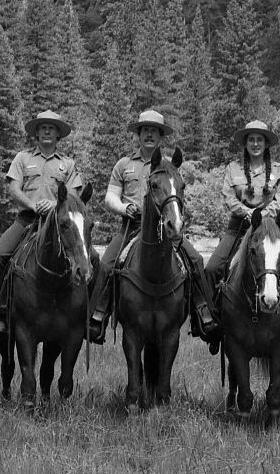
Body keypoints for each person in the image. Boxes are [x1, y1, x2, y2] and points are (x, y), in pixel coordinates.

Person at [86, 109, 221, 350]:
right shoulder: (124, 164)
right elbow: (110, 197)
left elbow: (176, 195)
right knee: (107, 264)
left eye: (154, 131)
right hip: (132, 226)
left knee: (196, 260)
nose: (149, 135)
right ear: (138, 134)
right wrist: (124, 207)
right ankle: (97, 317)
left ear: (160, 137)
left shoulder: (168, 166)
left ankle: (204, 314)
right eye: (145, 130)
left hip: (165, 228)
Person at [204, 120, 280, 350]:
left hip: (271, 227)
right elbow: (229, 197)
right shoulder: (232, 169)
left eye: (260, 139)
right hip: (238, 226)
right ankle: (214, 321)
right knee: (212, 268)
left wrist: (262, 214)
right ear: (245, 143)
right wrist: (247, 213)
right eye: (251, 139)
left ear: (266, 143)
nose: (255, 143)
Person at [0, 109, 89, 338]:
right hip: (28, 219)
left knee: (91, 258)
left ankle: (86, 315)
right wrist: (33, 205)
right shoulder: (22, 158)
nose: (46, 131)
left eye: (51, 128)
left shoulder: (68, 164)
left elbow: (72, 196)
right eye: (42, 127)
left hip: (60, 223)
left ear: (58, 135)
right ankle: (1, 311)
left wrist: (54, 206)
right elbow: (13, 188)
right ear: (36, 132)